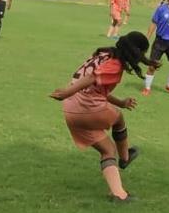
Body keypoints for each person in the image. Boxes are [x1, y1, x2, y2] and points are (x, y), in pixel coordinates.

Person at [49, 31, 158, 203]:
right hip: (85, 106)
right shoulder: (114, 64)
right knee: (119, 118)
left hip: (70, 110)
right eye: (141, 54)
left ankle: (119, 194)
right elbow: (92, 78)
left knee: (108, 150)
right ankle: (125, 158)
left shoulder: (104, 54)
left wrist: (121, 102)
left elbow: (96, 88)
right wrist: (66, 92)